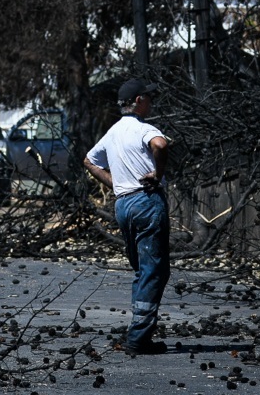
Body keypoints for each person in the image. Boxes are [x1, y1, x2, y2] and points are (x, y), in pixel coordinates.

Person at [83, 78, 171, 356]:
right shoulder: (143, 128)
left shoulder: (113, 132)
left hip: (123, 204)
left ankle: (139, 330)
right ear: (138, 101)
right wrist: (157, 174)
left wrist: (116, 184)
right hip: (146, 201)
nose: (152, 102)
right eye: (149, 97)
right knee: (153, 271)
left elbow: (89, 161)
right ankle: (139, 339)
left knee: (142, 268)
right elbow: (160, 144)